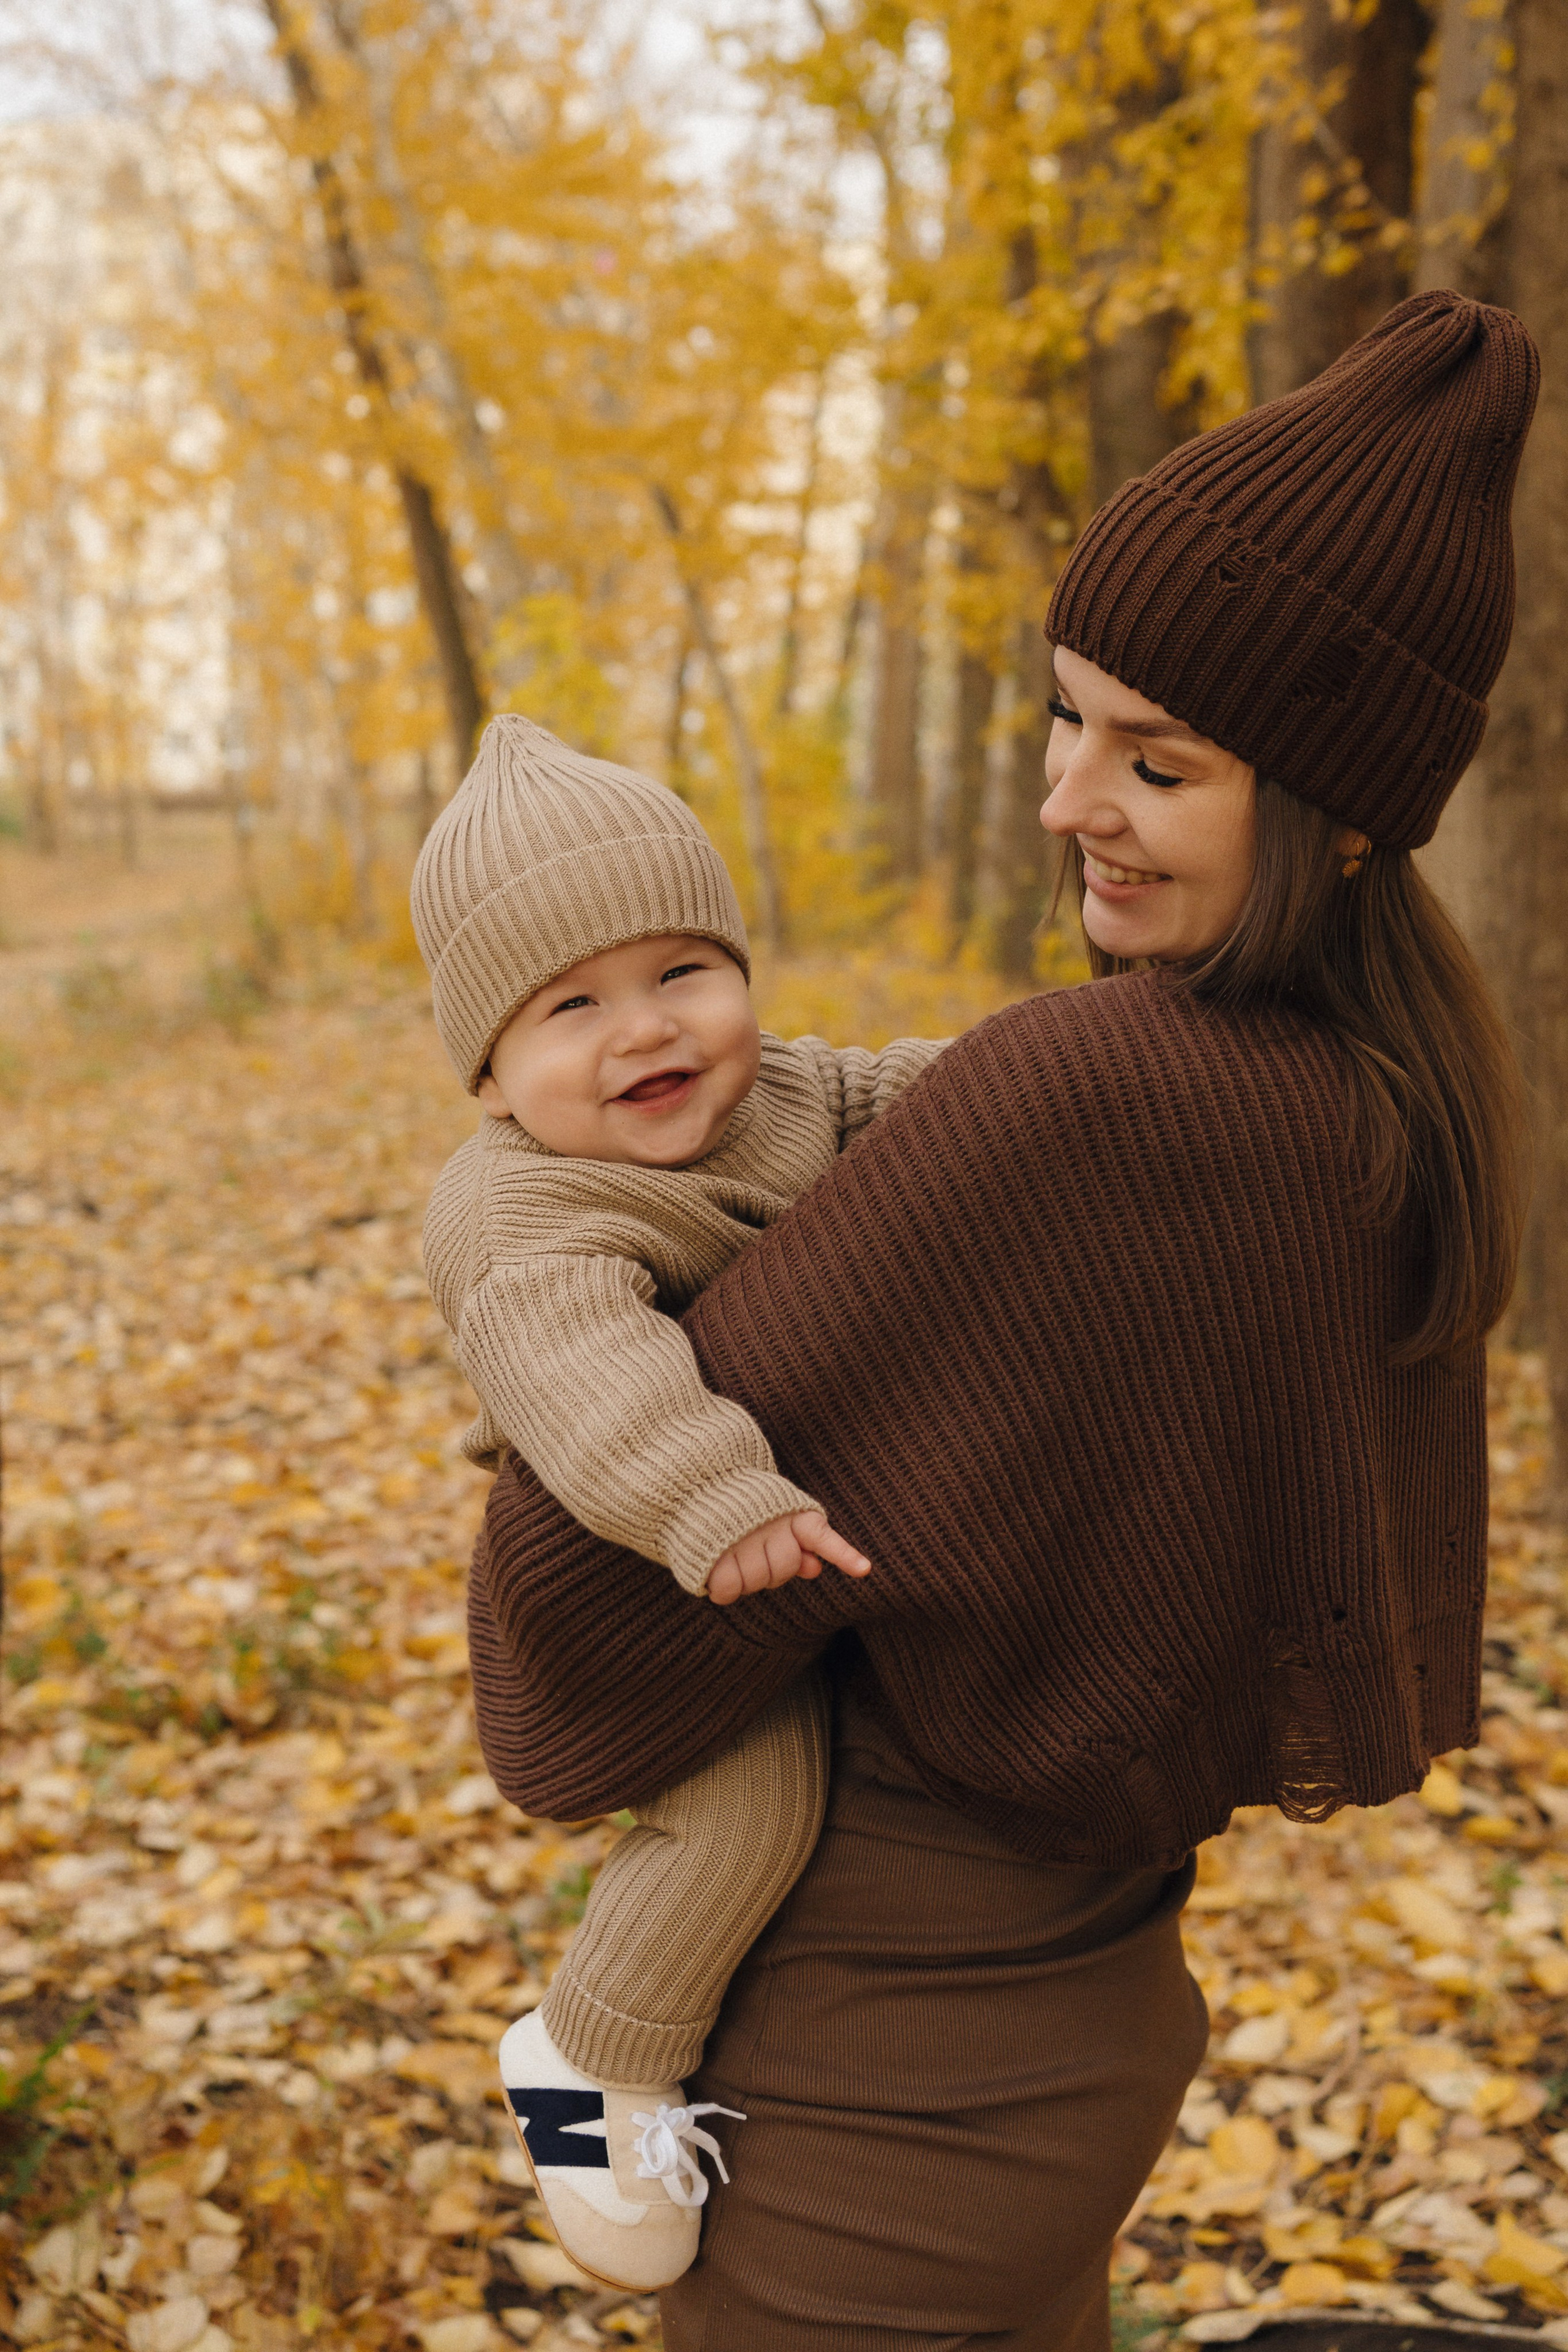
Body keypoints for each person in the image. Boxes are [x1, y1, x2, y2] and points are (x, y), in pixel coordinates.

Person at [462, 290, 1537, 2351]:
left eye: (1162, 760)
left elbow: (584, 1600)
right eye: (1069, 720)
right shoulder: (1390, 1101)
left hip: (878, 2086)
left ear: (1343, 807)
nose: (1067, 802)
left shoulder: (1101, 1097)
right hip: (1084, 2024)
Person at [412, 721, 944, 2288]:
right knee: (746, 1802)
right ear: (492, 1071)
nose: (644, 1030)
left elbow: (915, 1107)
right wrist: (711, 1494)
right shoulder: (515, 1202)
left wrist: (1055, 1081)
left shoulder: (780, 1094)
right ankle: (589, 2056)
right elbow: (586, 1370)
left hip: (751, 1551)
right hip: (624, 1567)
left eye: (682, 972)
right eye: (570, 1005)